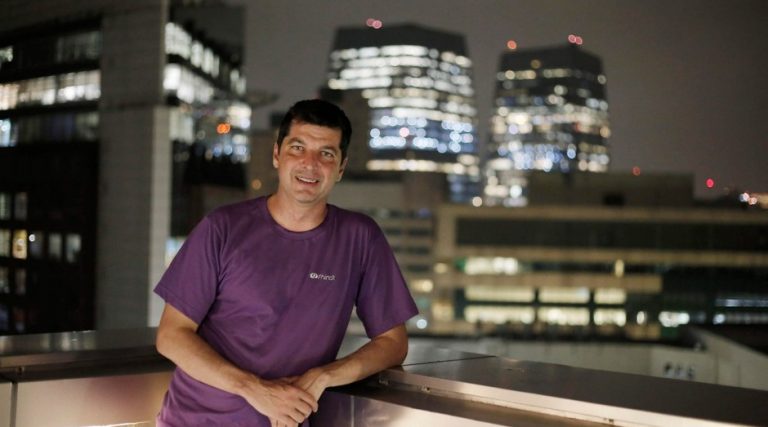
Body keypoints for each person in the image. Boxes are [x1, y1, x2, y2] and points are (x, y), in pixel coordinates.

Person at [154, 99, 418, 427]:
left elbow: (393, 343)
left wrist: (324, 376)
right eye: (298, 148)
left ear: (341, 168)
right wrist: (255, 390)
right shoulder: (222, 228)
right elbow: (172, 335)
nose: (310, 164)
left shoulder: (360, 238)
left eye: (326, 153)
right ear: (277, 155)